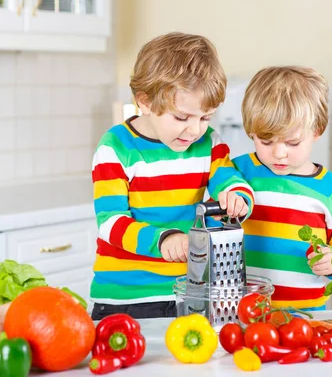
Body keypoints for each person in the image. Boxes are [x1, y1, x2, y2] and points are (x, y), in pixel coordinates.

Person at [90, 32, 254, 320]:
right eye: (182, 118)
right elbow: (111, 223)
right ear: (146, 103)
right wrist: (163, 240)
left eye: (205, 118)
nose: (194, 130)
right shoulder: (116, 148)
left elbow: (229, 178)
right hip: (125, 300)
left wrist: (238, 197)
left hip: (187, 293)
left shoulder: (209, 144)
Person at [232, 66, 332, 311]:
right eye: (265, 141)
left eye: (292, 142)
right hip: (244, 313)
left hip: (308, 317)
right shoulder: (239, 172)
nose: (279, 153)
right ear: (250, 131)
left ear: (317, 130)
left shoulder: (330, 189)